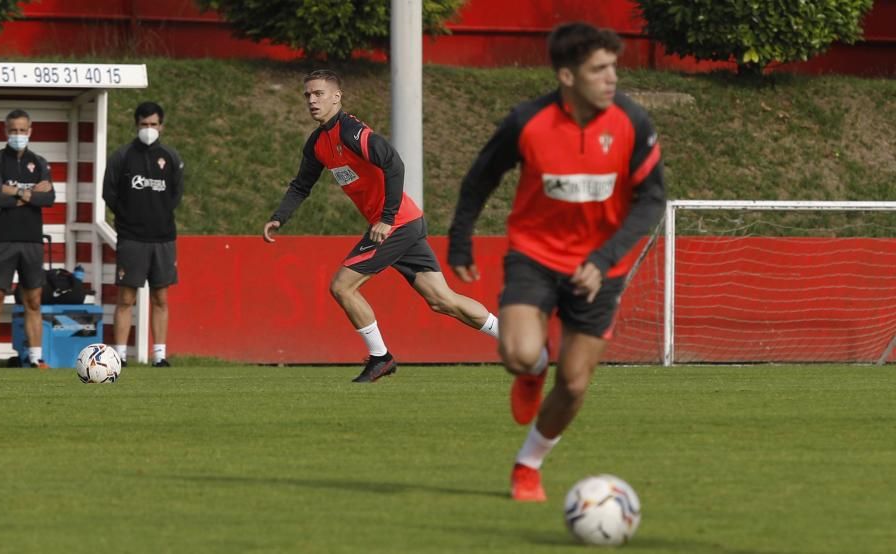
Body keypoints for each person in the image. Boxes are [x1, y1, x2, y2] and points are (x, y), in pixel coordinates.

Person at [448, 23, 666, 502]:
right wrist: (460, 238)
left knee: (573, 384)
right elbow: (480, 178)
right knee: (521, 354)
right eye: (599, 69)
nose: (612, 78)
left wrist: (604, 256)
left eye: (614, 67)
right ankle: (532, 369)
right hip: (535, 256)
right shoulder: (527, 120)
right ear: (567, 75)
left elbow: (652, 201)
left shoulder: (633, 122)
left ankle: (528, 465)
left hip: (600, 270)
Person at [263, 69, 544, 383]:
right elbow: (302, 185)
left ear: (337, 97)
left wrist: (386, 217)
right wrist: (279, 217)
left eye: (318, 93)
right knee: (442, 300)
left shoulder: (351, 131)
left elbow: (393, 163)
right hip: (405, 222)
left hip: (395, 224)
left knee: (342, 286)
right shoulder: (318, 142)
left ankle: (380, 358)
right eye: (308, 95)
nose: (312, 100)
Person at [103, 102, 184, 367]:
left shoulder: (171, 157)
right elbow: (109, 193)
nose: (148, 129)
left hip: (163, 238)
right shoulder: (122, 156)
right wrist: (128, 218)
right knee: (126, 298)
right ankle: (120, 356)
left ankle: (159, 355)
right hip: (132, 239)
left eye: (153, 125)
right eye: (144, 125)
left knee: (161, 297)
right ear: (136, 125)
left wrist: (158, 215)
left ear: (161, 126)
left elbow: (175, 194)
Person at [0, 109, 56, 369]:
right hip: (2, 240)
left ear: (30, 131)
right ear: (6, 131)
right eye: (13, 130)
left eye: (23, 130)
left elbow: (49, 199)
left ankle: (36, 358)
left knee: (33, 300)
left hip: (32, 241)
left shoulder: (40, 162)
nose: (18, 135)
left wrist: (14, 191)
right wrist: (31, 192)